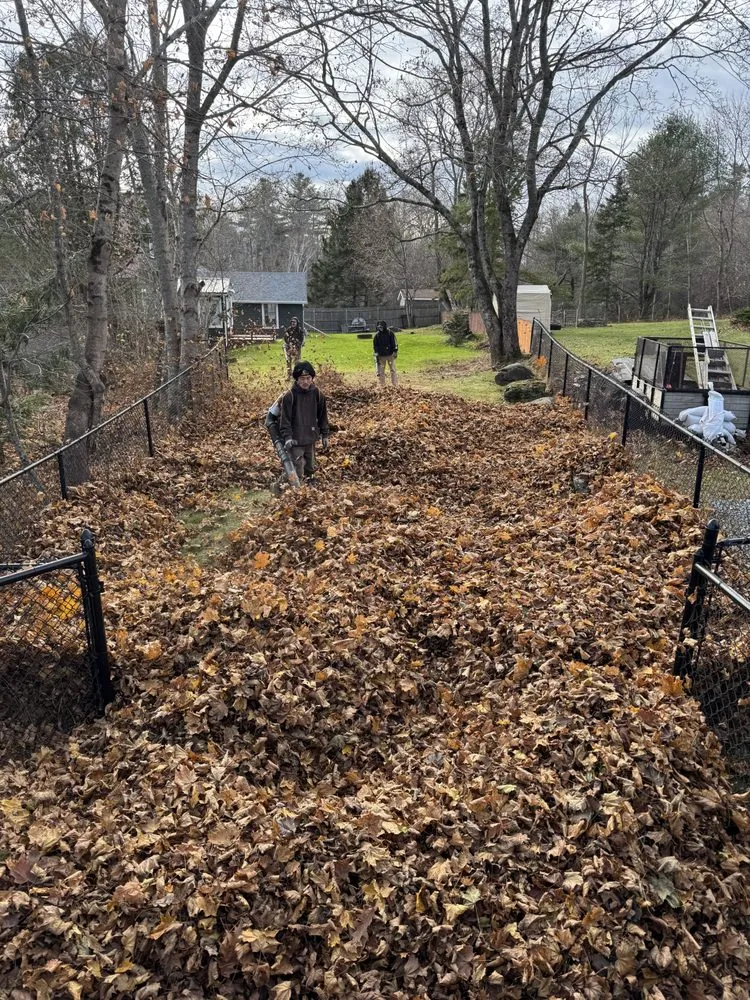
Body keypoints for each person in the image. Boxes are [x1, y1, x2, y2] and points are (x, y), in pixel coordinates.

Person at [278, 360, 329, 485]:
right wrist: (288, 437)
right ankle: (279, 488)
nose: (305, 382)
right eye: (302, 378)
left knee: (310, 469)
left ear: (312, 378)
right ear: (296, 379)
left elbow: (323, 416)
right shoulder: (289, 396)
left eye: (308, 378)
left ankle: (309, 496)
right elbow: (285, 421)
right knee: (297, 470)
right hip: (295, 441)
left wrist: (325, 434)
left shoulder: (317, 394)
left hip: (310, 439)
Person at [373, 320, 398, 387]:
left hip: (390, 355)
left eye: (381, 327)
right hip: (381, 356)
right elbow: (375, 346)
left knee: (393, 370)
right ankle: (382, 385)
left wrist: (395, 351)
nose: (380, 328)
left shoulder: (390, 333)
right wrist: (376, 355)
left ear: (384, 326)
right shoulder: (377, 335)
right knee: (381, 371)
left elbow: (395, 343)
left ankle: (395, 384)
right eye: (379, 327)